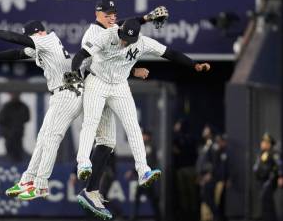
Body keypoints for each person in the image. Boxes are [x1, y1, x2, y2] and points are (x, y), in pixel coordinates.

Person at [0, 19, 147, 203]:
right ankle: (27, 180)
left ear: (38, 33)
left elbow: (17, 40)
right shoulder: (42, 44)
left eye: (29, 36)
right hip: (63, 93)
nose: (28, 39)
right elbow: (18, 53)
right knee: (43, 138)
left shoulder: (46, 39)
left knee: (51, 138)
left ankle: (40, 185)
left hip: (68, 93)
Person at [71, 18, 210, 215]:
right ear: (120, 30)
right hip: (97, 81)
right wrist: (74, 72)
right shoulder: (107, 35)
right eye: (123, 37)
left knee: (133, 126)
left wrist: (193, 65)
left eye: (130, 40)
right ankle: (83, 161)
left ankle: (143, 170)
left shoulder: (143, 42)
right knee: (91, 122)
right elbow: (81, 54)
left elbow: (170, 53)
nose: (125, 42)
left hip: (119, 86)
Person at [74, 0, 168, 219]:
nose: (112, 17)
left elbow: (125, 30)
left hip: (110, 83)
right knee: (77, 128)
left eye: (114, 14)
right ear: (97, 14)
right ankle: (81, 166)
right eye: (107, 14)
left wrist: (147, 18)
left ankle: (91, 191)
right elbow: (93, 57)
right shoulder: (95, 34)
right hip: (89, 82)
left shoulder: (114, 29)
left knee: (108, 143)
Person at [125, 130, 161, 221]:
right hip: (143, 177)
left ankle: (159, 217)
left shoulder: (149, 146)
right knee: (141, 197)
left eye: (144, 135)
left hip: (147, 177)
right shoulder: (144, 146)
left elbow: (148, 162)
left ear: (148, 136)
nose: (143, 137)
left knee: (152, 199)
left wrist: (134, 171)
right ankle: (134, 217)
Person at [253, 133, 283, 221]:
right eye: (262, 142)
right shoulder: (262, 153)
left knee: (267, 202)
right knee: (264, 202)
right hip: (262, 181)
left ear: (269, 144)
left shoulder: (273, 153)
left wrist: (281, 176)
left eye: (265, 142)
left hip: (269, 180)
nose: (262, 144)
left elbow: (279, 165)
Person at [0, 93, 30, 162]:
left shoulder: (22, 106)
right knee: (10, 149)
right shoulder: (6, 107)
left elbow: (27, 118)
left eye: (16, 95)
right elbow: (1, 119)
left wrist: (17, 123)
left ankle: (18, 163)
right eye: (13, 95)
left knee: (18, 151)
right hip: (8, 134)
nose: (14, 96)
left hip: (18, 133)